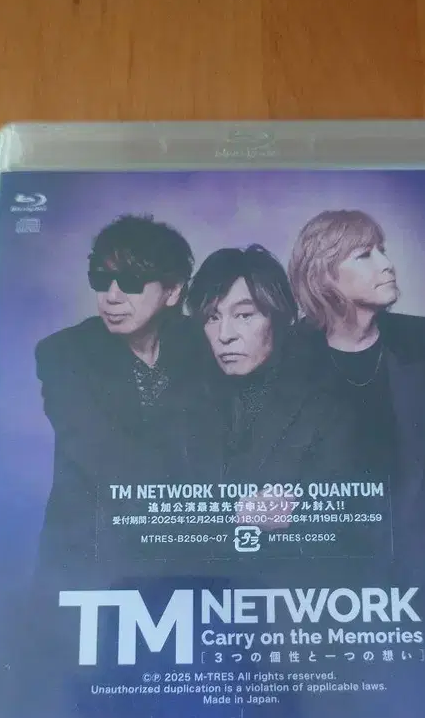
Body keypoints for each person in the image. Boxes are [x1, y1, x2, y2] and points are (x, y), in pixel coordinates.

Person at [288, 209, 425, 583]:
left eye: (382, 250)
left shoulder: (417, 337)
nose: (387, 265)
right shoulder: (289, 352)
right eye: (364, 255)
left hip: (410, 557)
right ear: (323, 276)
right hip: (322, 564)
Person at [34, 214, 211, 579]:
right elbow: (103, 456)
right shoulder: (64, 353)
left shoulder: (203, 343)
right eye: (101, 280)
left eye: (130, 282)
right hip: (92, 558)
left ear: (172, 291)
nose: (111, 296)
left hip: (188, 556)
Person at [185, 244, 359, 490]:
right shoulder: (188, 400)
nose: (224, 335)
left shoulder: (326, 402)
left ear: (279, 317)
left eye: (244, 315)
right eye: (212, 317)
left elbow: (345, 498)